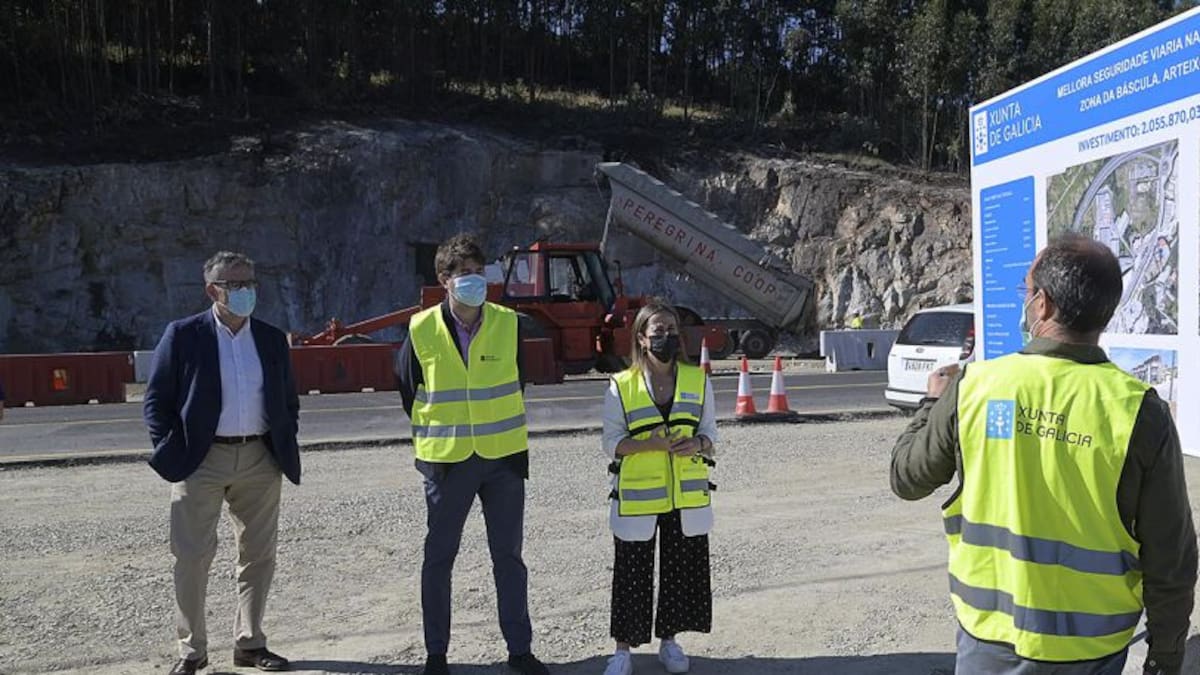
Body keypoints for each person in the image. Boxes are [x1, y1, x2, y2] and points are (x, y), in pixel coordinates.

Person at [890, 235, 1196, 675]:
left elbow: (907, 477)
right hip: (1093, 648)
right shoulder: (1139, 410)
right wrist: (1165, 656)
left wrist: (930, 404)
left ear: (1043, 304)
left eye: (1027, 290)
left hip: (990, 639)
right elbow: (1171, 556)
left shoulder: (976, 387)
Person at [395, 233, 549, 675]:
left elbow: (516, 382)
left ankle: (520, 652)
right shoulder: (421, 328)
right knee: (439, 558)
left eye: (479, 272)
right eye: (464, 273)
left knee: (509, 558)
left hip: (503, 460)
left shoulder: (508, 323)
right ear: (444, 280)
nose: (474, 280)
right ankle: (436, 655)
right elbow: (408, 390)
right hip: (448, 462)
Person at [144, 251, 300, 675]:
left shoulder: (270, 338)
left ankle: (250, 643)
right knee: (191, 556)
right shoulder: (183, 334)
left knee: (258, 555)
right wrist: (173, 450)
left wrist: (284, 438)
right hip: (201, 459)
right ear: (213, 291)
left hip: (260, 457)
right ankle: (191, 651)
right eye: (236, 284)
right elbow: (156, 400)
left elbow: (288, 399)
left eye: (250, 283)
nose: (246, 291)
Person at [601, 300, 717, 675]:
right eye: (658, 331)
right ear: (641, 338)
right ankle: (623, 650)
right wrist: (648, 445)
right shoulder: (621, 385)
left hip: (685, 496)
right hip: (639, 498)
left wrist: (697, 444)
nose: (666, 336)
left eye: (671, 330)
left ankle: (669, 642)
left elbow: (711, 435)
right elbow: (611, 443)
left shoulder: (698, 380)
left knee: (679, 572)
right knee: (631, 573)